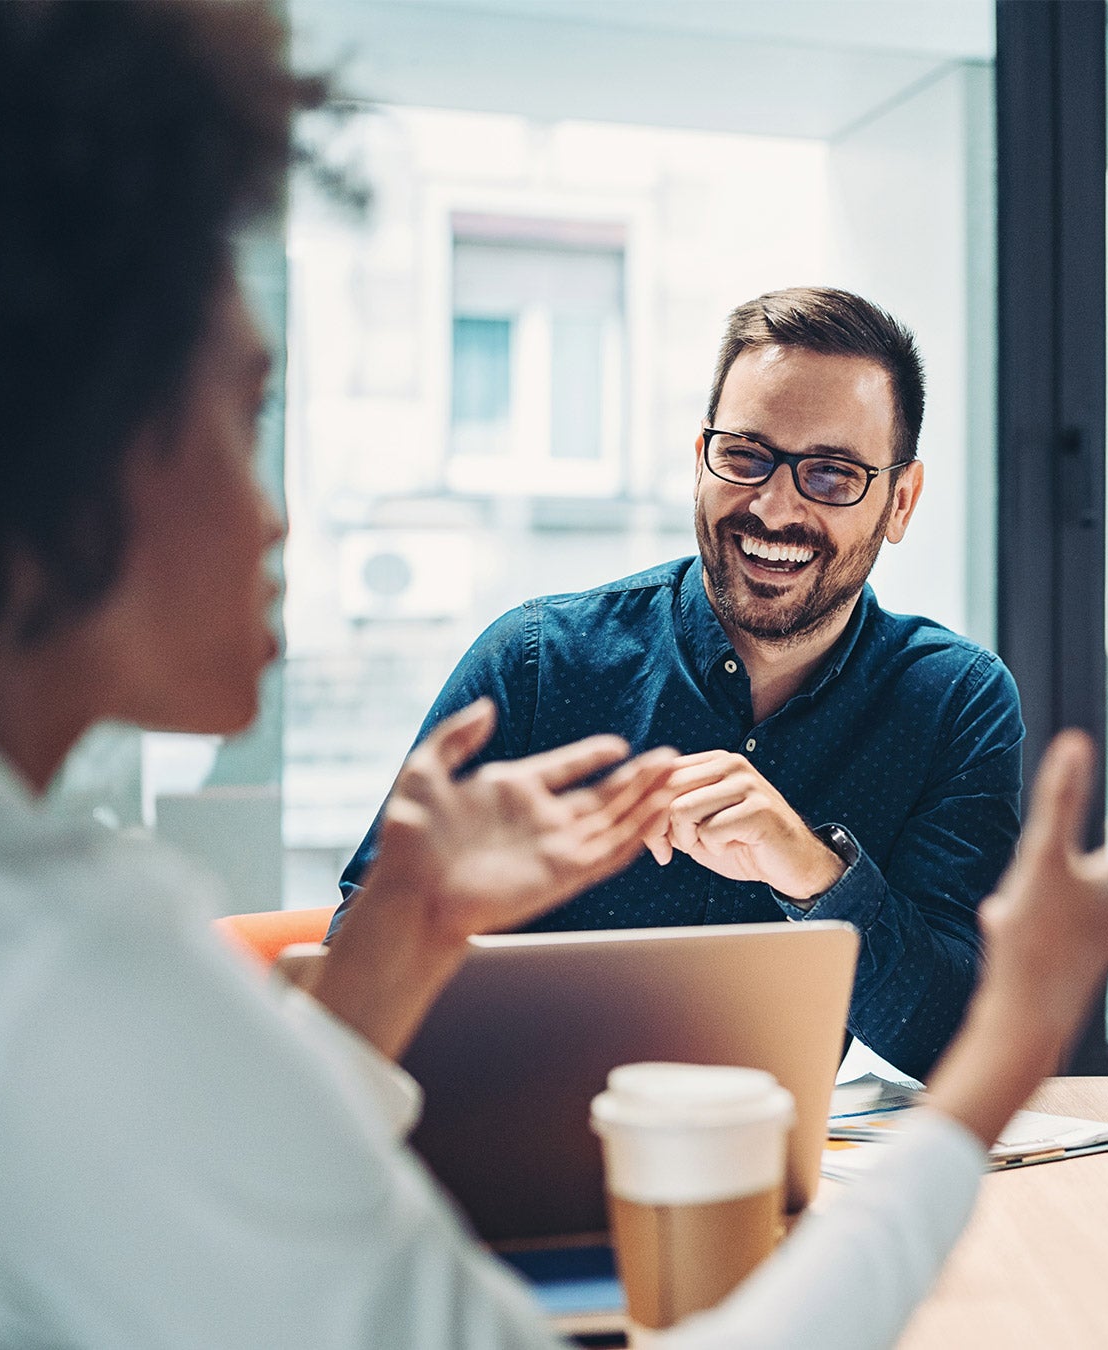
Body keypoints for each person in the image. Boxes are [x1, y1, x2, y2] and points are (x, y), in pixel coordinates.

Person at [0, 5, 1108, 1348]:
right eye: (246, 424)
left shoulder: (46, 923)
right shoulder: (70, 967)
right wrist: (1009, 1050)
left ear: (899, 499)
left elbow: (243, 1226)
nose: (278, 516)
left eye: (830, 472)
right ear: (82, 450)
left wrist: (405, 950)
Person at [334, 284, 1023, 1078]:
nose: (773, 506)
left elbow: (959, 1041)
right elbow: (349, 960)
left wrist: (813, 874)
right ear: (701, 460)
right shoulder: (535, 661)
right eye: (745, 456)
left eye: (832, 475)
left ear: (899, 502)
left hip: (773, 1178)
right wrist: (443, 912)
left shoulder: (954, 703)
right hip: (512, 1161)